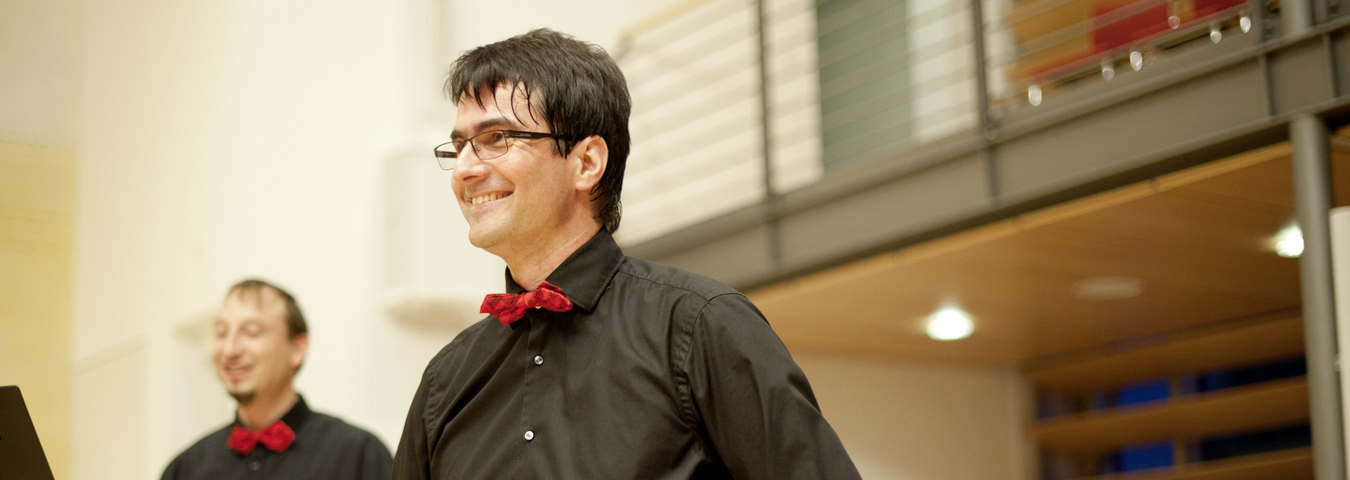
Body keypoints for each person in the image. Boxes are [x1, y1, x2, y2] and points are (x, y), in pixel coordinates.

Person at [393, 29, 860, 479]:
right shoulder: (444, 381)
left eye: (497, 138)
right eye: (460, 146)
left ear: (586, 162)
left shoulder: (701, 326)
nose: (465, 169)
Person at [163, 279, 392, 479]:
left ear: (297, 349)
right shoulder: (184, 469)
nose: (230, 350)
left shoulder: (359, 456)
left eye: (251, 332)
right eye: (221, 333)